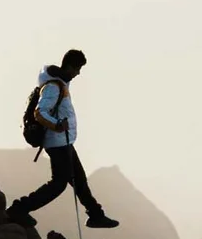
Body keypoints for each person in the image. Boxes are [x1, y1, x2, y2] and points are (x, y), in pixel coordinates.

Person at [7, 49, 120, 229]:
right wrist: (58, 125)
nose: (78, 73)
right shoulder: (53, 87)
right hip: (57, 142)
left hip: (63, 141)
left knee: (79, 181)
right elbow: (40, 112)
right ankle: (19, 208)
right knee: (59, 184)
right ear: (69, 66)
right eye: (77, 69)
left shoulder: (60, 84)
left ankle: (96, 215)